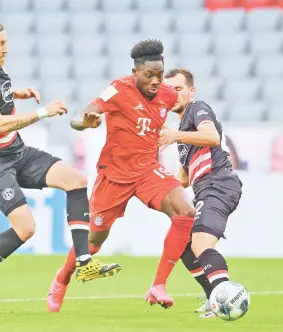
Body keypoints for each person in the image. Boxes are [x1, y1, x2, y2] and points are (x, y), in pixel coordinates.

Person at [0, 11, 120, 315]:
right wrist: (42, 112)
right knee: (26, 228)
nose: (6, 48)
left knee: (76, 179)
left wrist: (16, 91)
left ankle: (83, 262)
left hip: (15, 151)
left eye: (6, 42)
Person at [47, 39, 195, 313]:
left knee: (185, 211)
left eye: (159, 76)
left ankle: (158, 285)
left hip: (148, 171)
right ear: (135, 71)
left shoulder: (167, 95)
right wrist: (86, 122)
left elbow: (188, 107)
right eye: (148, 75)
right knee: (93, 242)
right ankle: (62, 279)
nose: (154, 81)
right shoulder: (118, 89)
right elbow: (79, 118)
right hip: (114, 175)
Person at [160, 69, 243, 318]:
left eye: (178, 89)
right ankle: (213, 297)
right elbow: (182, 180)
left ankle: (228, 300)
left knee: (200, 244)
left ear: (191, 91)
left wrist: (174, 136)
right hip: (205, 189)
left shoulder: (197, 109)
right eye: (167, 91)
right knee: (184, 245)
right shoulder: (184, 132)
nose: (172, 95)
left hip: (218, 184)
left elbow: (212, 136)